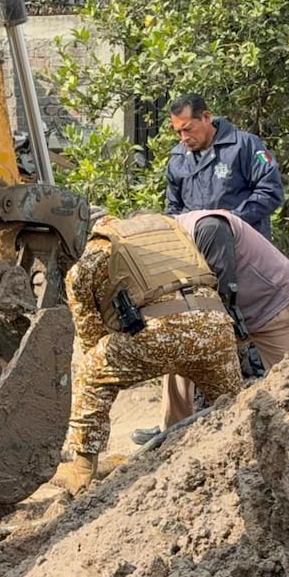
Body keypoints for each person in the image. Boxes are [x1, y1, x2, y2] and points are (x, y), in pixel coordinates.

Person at [53, 211, 243, 495]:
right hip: (217, 327)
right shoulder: (166, 234)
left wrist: (118, 355)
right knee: (232, 405)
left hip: (159, 334)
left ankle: (82, 471)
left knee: (92, 372)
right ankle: (242, 455)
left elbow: (90, 335)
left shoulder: (93, 252)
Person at [131, 209, 289, 444]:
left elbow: (223, 294)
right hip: (241, 308)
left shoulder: (207, 228)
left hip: (276, 304)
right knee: (180, 352)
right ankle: (171, 431)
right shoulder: (172, 249)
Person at [163, 93, 285, 240]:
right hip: (196, 248)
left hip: (243, 246)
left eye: (188, 129)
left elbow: (271, 191)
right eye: (178, 132)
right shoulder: (178, 159)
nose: (184, 138)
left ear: (206, 117)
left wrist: (232, 218)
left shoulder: (245, 145)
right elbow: (173, 208)